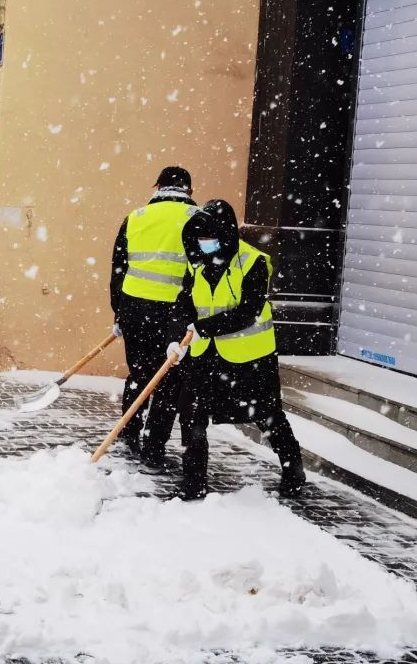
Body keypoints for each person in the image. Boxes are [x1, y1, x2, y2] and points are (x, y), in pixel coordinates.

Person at [169, 200, 305, 501]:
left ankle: (293, 470)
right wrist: (176, 333)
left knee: (266, 415)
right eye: (200, 238)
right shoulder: (198, 264)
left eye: (210, 237)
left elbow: (248, 311)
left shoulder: (252, 261)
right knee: (191, 414)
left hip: (249, 357)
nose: (204, 244)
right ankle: (193, 482)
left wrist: (204, 326)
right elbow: (184, 301)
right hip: (205, 354)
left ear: (225, 234)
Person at [109, 166, 199, 467]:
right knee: (168, 381)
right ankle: (153, 447)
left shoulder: (136, 217)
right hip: (174, 314)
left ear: (158, 186)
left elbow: (118, 268)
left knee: (138, 374)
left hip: (135, 309)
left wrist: (119, 311)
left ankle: (128, 432)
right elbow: (201, 273)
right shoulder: (198, 219)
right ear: (189, 189)